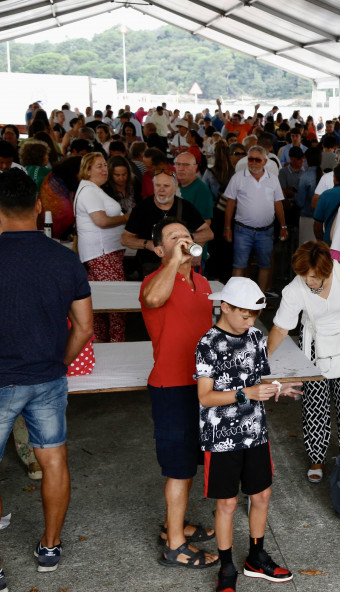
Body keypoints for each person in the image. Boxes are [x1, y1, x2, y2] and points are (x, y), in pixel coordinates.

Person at [0, 169, 93, 580]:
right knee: (53, 460)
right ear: (39, 207)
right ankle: (50, 548)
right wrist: (60, 361)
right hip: (47, 376)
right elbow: (86, 327)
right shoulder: (64, 258)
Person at [196, 277, 300, 591]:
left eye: (254, 315)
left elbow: (255, 383)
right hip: (221, 436)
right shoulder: (208, 343)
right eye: (244, 313)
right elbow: (205, 397)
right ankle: (226, 566)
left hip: (255, 432)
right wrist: (247, 395)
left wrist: (278, 388)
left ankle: (256, 556)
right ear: (224, 306)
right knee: (226, 504)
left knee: (262, 495)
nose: (249, 321)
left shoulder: (255, 337)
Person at [141, 217, 218, 570]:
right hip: (171, 387)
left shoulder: (202, 283)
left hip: (200, 385)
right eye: (173, 238)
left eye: (187, 236)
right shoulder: (154, 282)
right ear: (159, 249)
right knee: (179, 469)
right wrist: (174, 260)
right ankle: (175, 545)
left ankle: (176, 524)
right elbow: (155, 298)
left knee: (189, 462)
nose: (184, 241)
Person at [268, 242, 340, 484]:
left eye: (313, 276)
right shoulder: (295, 289)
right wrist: (266, 358)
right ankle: (317, 457)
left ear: (326, 270)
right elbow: (281, 327)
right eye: (303, 275)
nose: (308, 281)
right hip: (314, 343)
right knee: (315, 404)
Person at [74, 152, 129, 342]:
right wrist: (126, 218)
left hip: (101, 253)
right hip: (102, 253)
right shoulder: (89, 190)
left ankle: (102, 344)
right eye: (99, 166)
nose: (105, 169)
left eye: (105, 165)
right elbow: (101, 221)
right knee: (116, 304)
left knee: (99, 302)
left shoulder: (93, 189)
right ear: (87, 170)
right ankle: (116, 344)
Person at [121, 169, 212, 276]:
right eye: (158, 185)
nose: (161, 189)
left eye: (166, 186)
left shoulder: (185, 207)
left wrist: (185, 239)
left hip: (180, 265)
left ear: (175, 187)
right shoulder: (142, 208)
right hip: (150, 266)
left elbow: (208, 233)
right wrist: (147, 244)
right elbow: (125, 239)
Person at [223, 146, 288, 296]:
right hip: (242, 230)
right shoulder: (238, 177)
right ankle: (235, 298)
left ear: (265, 161)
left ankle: (259, 299)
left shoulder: (273, 179)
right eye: (250, 159)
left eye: (257, 159)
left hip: (266, 231)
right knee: (239, 265)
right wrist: (227, 227)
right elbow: (230, 203)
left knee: (265, 265)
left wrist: (283, 225)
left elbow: (278, 203)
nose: (253, 162)